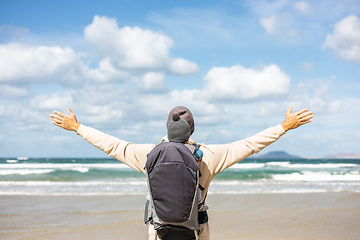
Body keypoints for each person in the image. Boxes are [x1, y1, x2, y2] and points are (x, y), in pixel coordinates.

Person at [49, 105, 313, 240]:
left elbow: (113, 146)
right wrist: (284, 126)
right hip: (196, 230)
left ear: (167, 127)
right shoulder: (209, 155)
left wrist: (78, 127)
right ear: (193, 129)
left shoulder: (149, 154)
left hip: (159, 230)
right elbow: (248, 145)